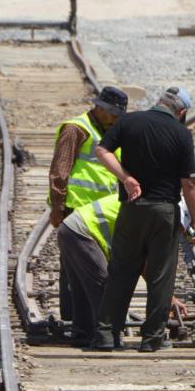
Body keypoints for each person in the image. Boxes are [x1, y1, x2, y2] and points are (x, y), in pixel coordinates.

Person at [91, 87, 195, 352]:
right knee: (160, 276)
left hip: (132, 207)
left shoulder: (130, 121)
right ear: (181, 112)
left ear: (159, 102)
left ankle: (106, 335)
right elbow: (189, 183)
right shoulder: (181, 133)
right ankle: (152, 339)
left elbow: (102, 151)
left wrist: (126, 178)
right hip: (164, 211)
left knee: (121, 271)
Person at [57, 193, 188, 346]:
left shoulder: (147, 206)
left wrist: (169, 298)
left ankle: (84, 334)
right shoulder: (150, 217)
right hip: (81, 232)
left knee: (84, 289)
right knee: (105, 287)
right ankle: (107, 337)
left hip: (71, 229)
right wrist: (168, 298)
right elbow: (145, 266)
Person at [48, 86, 128, 327]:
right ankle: (75, 317)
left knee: (96, 266)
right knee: (74, 266)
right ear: (99, 108)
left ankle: (88, 319)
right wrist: (57, 206)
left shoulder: (111, 131)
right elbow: (60, 170)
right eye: (112, 114)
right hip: (76, 207)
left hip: (102, 210)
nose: (115, 119)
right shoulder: (77, 129)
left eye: (118, 115)